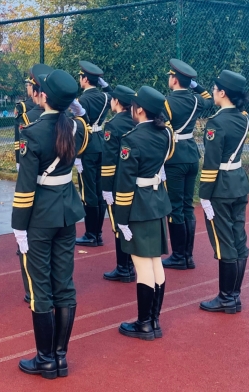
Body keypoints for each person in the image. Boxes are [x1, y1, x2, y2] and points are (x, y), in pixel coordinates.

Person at [13, 69, 89, 380]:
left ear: (43, 96)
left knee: (40, 287)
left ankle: (45, 360)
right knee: (64, 285)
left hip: (40, 216)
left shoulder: (32, 133)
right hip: (66, 212)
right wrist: (77, 110)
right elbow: (84, 127)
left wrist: (18, 226)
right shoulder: (75, 129)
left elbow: (25, 186)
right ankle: (60, 357)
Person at [113, 86, 174, 341]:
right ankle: (154, 320)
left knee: (142, 265)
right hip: (157, 202)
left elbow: (125, 182)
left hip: (138, 205)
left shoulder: (132, 139)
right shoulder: (166, 134)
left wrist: (121, 218)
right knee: (155, 262)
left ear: (139, 110)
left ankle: (144, 324)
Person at [198, 70, 249, 314]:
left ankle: (226, 298)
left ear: (222, 93)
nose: (213, 92)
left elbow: (211, 162)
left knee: (224, 242)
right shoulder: (244, 119)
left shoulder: (216, 123)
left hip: (220, 187)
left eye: (214, 89)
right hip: (238, 182)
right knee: (239, 238)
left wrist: (204, 194)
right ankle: (234, 295)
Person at [162, 59, 214, 270]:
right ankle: (187, 256)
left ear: (174, 80)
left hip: (174, 158)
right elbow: (209, 99)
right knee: (187, 206)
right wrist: (195, 85)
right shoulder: (196, 100)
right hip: (191, 155)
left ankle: (178, 256)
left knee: (175, 207)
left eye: (170, 76)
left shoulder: (166, 103)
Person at [17, 64, 53, 304]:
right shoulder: (71, 122)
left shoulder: (29, 120)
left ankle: (34, 291)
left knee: (31, 244)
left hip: (37, 191)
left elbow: (24, 157)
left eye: (30, 86)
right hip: (61, 196)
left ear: (39, 92)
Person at [100, 85, 137, 283]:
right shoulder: (138, 121)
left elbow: (109, 161)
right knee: (132, 221)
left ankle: (124, 268)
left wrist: (106, 188)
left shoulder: (112, 125)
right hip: (137, 180)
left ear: (116, 102)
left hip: (118, 181)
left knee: (118, 224)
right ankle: (132, 264)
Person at [74, 60, 111, 247]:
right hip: (100, 144)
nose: (79, 79)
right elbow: (113, 94)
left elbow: (78, 126)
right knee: (99, 190)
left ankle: (91, 235)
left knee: (88, 191)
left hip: (86, 147)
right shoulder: (106, 97)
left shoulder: (82, 101)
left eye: (81, 76)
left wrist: (76, 154)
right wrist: (105, 84)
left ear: (85, 79)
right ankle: (98, 233)